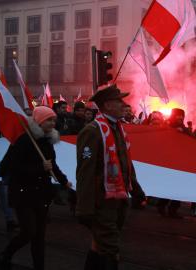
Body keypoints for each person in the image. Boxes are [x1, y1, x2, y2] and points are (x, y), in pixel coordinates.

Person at [76, 84, 145, 270]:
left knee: (99, 245)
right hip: (101, 203)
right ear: (107, 105)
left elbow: (125, 162)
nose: (124, 104)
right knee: (111, 250)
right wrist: (84, 208)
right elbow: (85, 172)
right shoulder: (92, 131)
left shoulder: (118, 129)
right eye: (119, 100)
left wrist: (136, 188)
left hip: (118, 201)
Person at [0, 106, 71, 270]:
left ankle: (39, 266)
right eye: (49, 120)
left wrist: (64, 181)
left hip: (41, 194)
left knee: (39, 236)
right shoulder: (23, 141)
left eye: (53, 120)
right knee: (28, 232)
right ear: (39, 121)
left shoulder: (47, 141)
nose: (53, 123)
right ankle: (6, 254)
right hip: (23, 194)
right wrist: (40, 168)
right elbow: (11, 168)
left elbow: (52, 165)